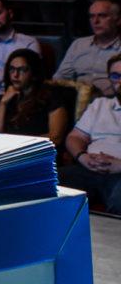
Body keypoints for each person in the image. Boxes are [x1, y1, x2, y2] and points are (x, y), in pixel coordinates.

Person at [58, 53, 121, 209]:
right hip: (89, 168)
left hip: (120, 174)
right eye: (115, 75)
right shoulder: (100, 105)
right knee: (44, 183)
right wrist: (83, 157)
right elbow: (74, 137)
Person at [0, 48, 72, 147]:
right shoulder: (8, 97)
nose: (15, 75)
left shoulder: (52, 96)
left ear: (34, 73)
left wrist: (19, 146)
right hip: (9, 151)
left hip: (37, 153)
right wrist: (3, 103)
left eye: (22, 70)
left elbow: (56, 137)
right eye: (12, 69)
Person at [55, 0, 121, 97]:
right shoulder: (79, 44)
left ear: (118, 20)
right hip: (75, 100)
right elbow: (60, 78)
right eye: (92, 16)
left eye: (102, 16)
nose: (95, 21)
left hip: (109, 102)